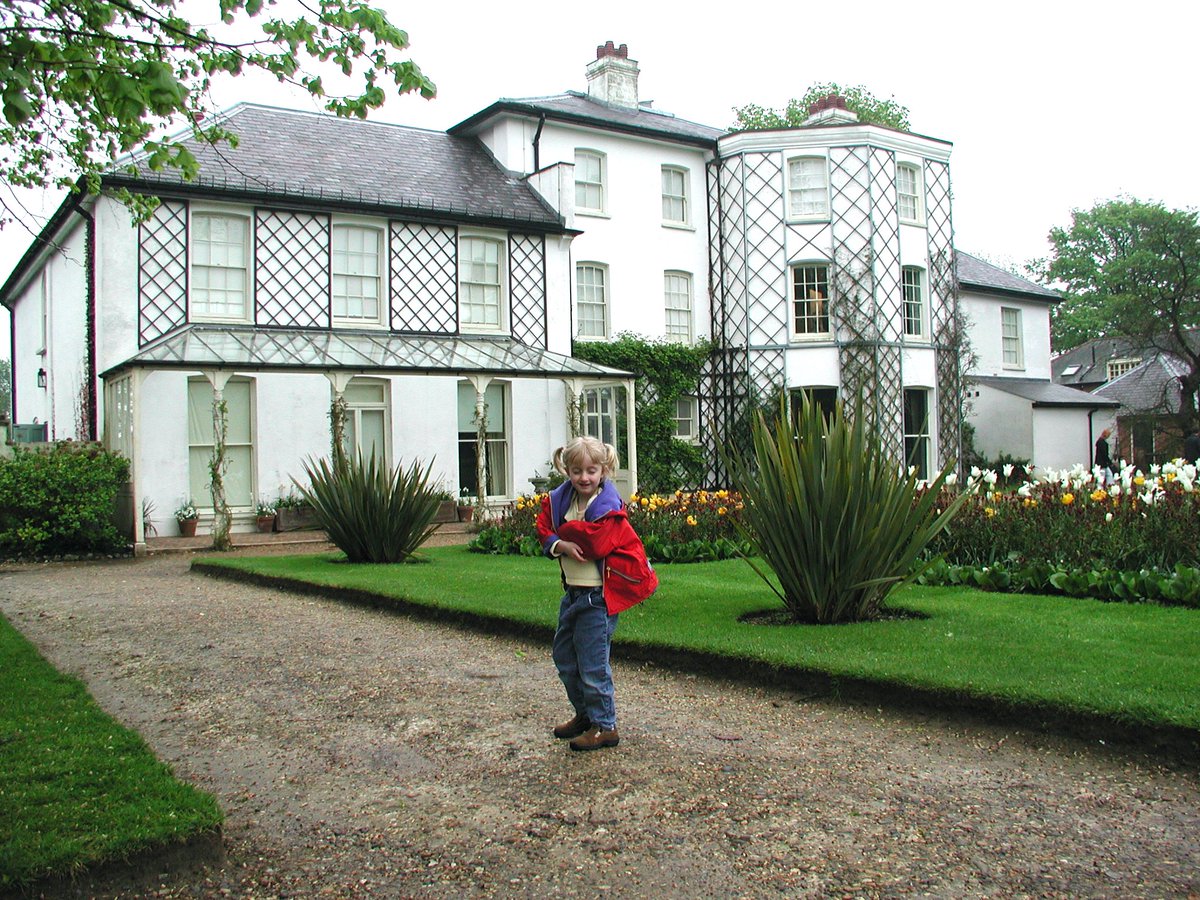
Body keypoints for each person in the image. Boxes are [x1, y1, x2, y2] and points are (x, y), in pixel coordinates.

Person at [535, 435, 657, 752]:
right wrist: (559, 543)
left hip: (597, 598)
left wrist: (563, 532)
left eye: (591, 470)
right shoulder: (562, 500)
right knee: (564, 657)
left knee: (593, 665)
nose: (584, 477)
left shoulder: (607, 506)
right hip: (573, 593)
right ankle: (586, 715)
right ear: (567, 470)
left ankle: (605, 725)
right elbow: (543, 528)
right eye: (577, 471)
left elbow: (597, 542)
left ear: (603, 470)